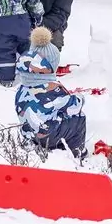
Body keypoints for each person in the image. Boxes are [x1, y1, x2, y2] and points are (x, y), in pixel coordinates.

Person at [15, 27, 87, 158]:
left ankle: (46, 145)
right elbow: (73, 105)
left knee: (52, 116)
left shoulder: (23, 86)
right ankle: (77, 152)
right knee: (79, 118)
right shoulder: (53, 89)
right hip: (45, 135)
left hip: (29, 132)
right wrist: (79, 97)